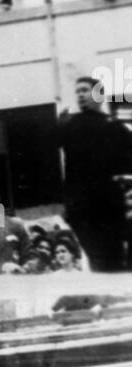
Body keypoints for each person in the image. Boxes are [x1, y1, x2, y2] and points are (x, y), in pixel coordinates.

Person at [57, 76, 132, 271]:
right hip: (81, 208)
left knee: (112, 258)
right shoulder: (69, 125)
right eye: (78, 91)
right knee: (99, 258)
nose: (80, 95)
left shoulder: (114, 126)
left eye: (85, 90)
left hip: (109, 205)